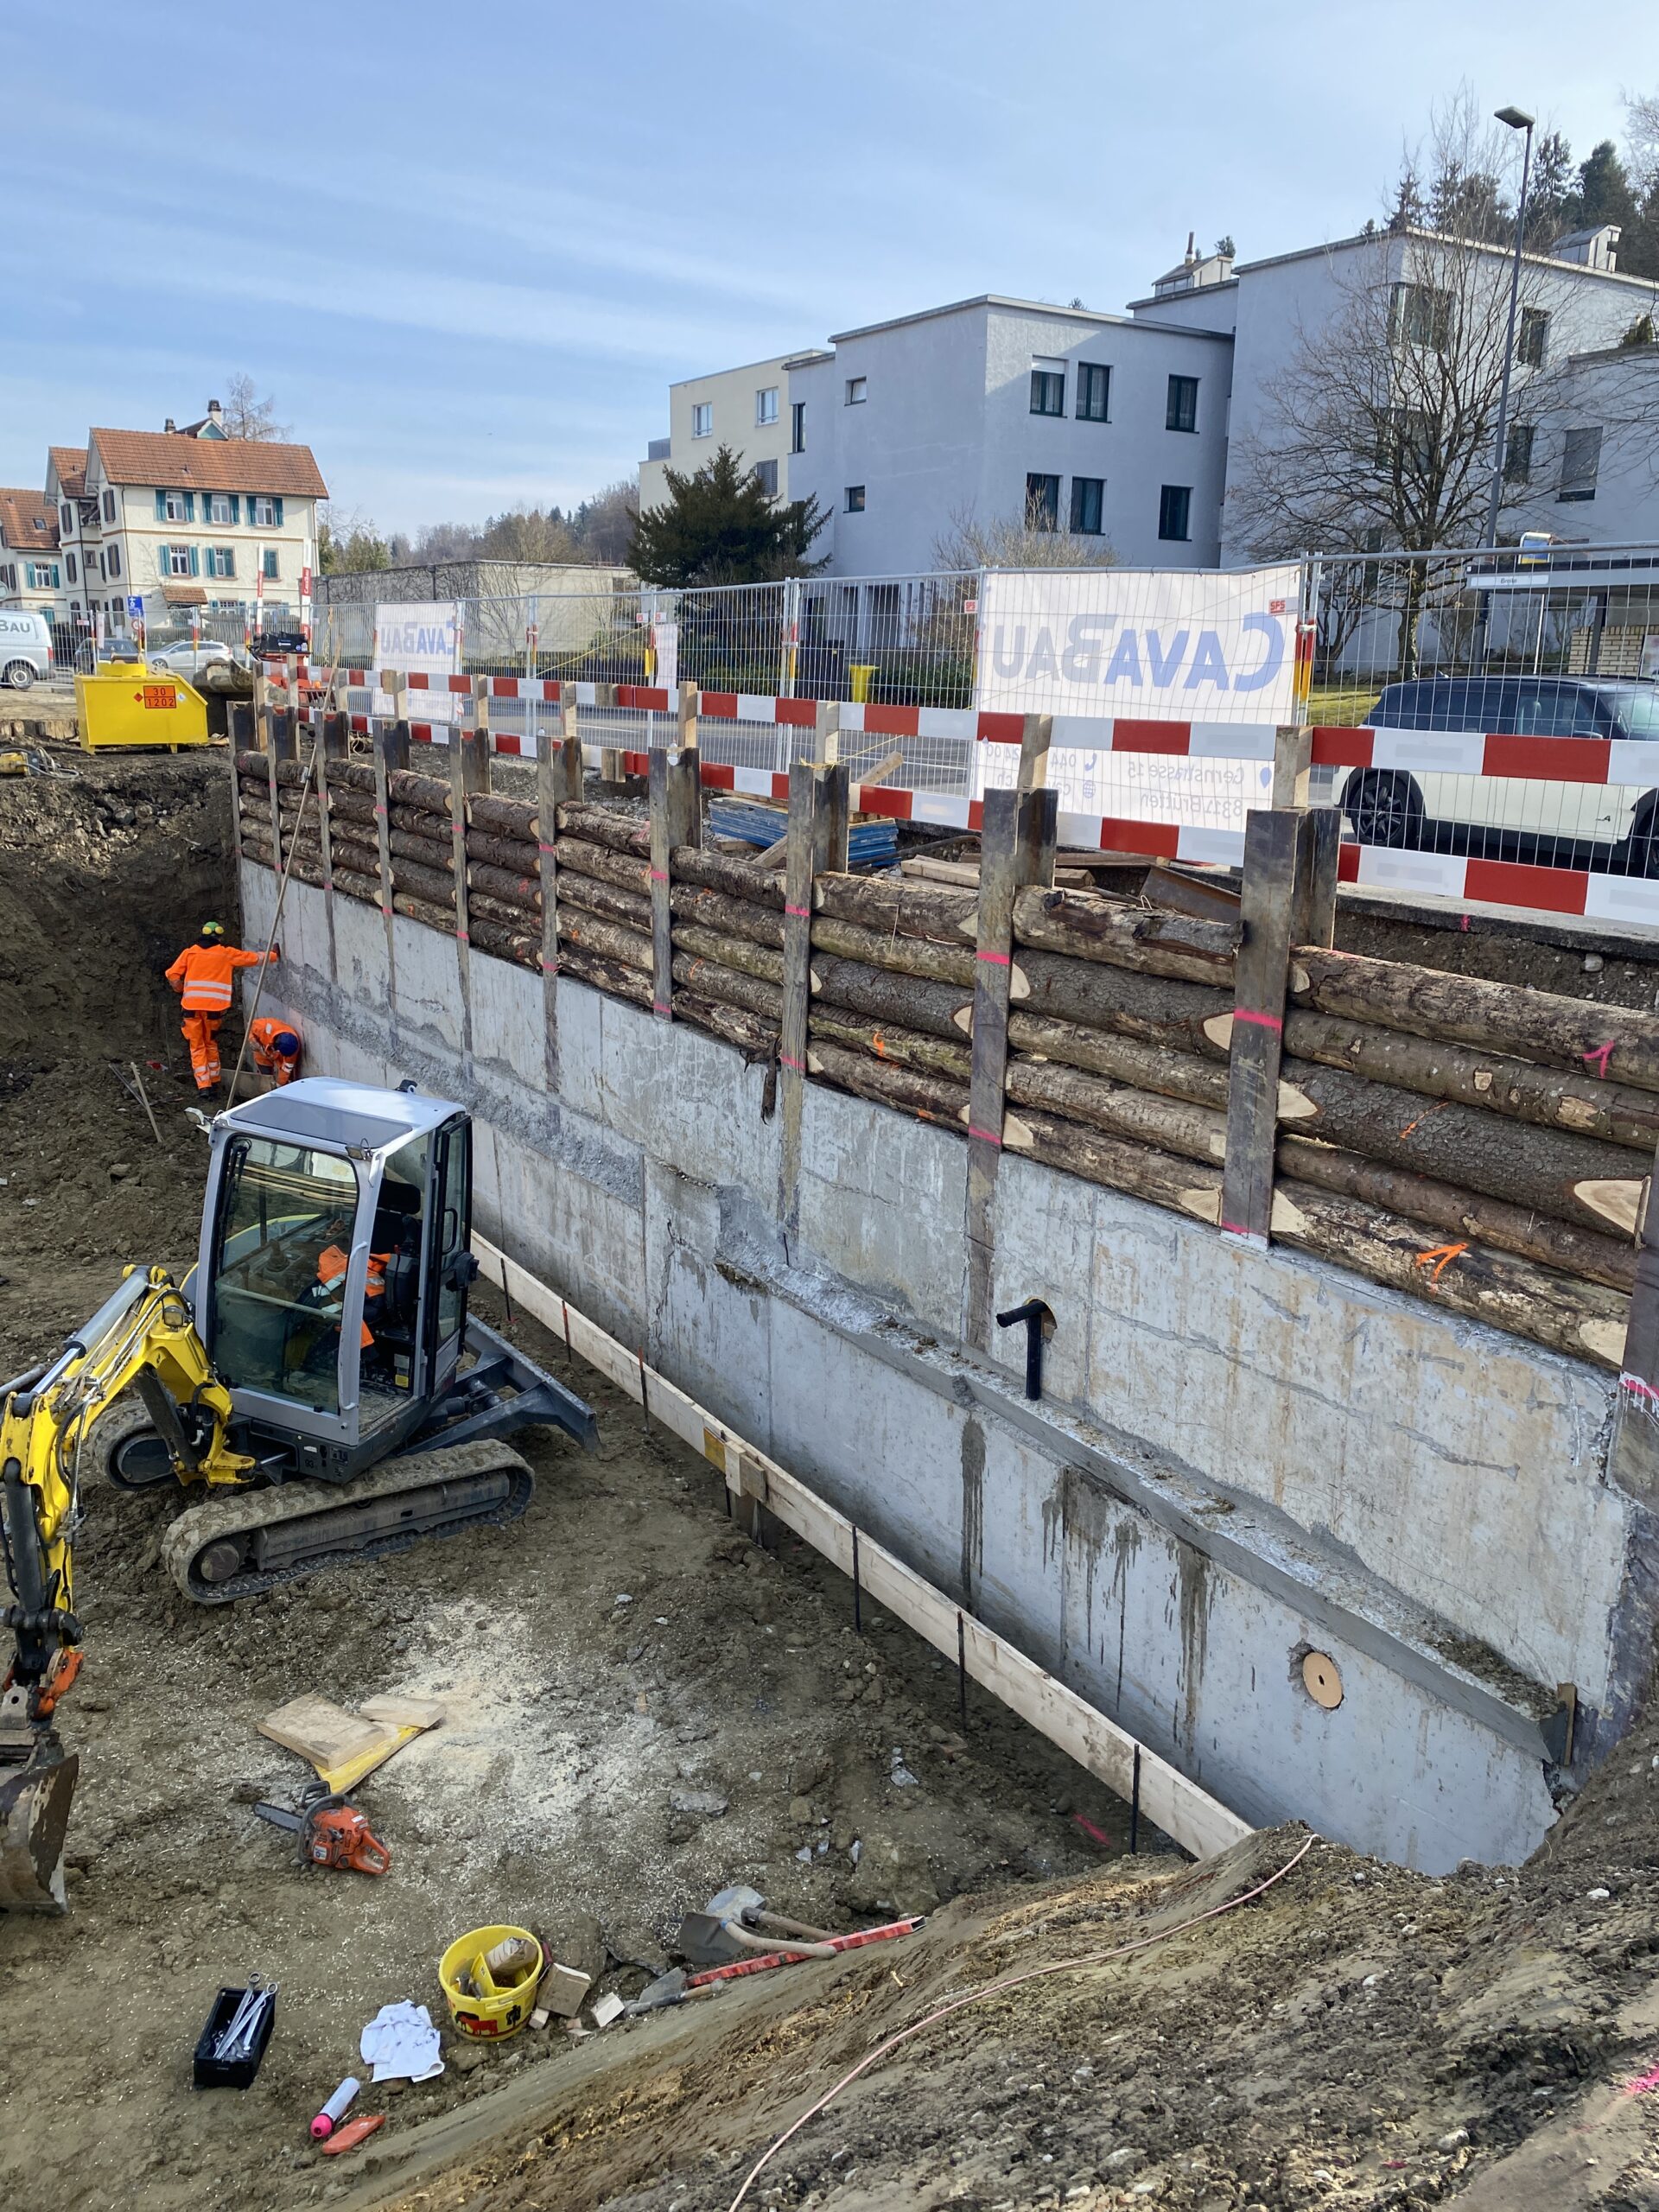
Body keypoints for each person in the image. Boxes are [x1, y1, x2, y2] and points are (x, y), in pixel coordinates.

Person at [164, 922, 278, 1095]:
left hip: (191, 1010)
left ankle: (204, 1087)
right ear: (218, 937)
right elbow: (253, 958)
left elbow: (172, 976)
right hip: (213, 1011)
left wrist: (180, 989)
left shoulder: (189, 953)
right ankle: (215, 1081)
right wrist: (273, 956)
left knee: (197, 1046)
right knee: (210, 1043)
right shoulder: (226, 954)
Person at [249, 1015, 302, 1087]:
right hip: (262, 1048)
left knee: (287, 1080)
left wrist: (279, 1085)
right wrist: (253, 1041)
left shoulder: (292, 1048)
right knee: (266, 1076)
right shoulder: (263, 1026)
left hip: (279, 1054)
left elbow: (286, 1070)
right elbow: (250, 1027)